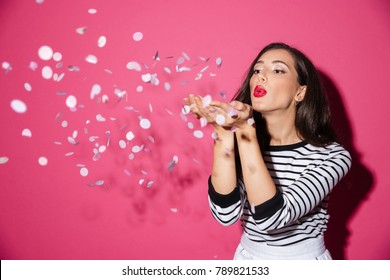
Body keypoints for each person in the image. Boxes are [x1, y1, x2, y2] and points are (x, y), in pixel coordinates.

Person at [184, 42, 352, 260]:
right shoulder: (248, 144)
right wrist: (223, 132)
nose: (261, 76)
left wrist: (245, 131)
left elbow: (271, 218)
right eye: (257, 70)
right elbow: (225, 215)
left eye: (277, 70)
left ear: (300, 92)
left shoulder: (332, 156)